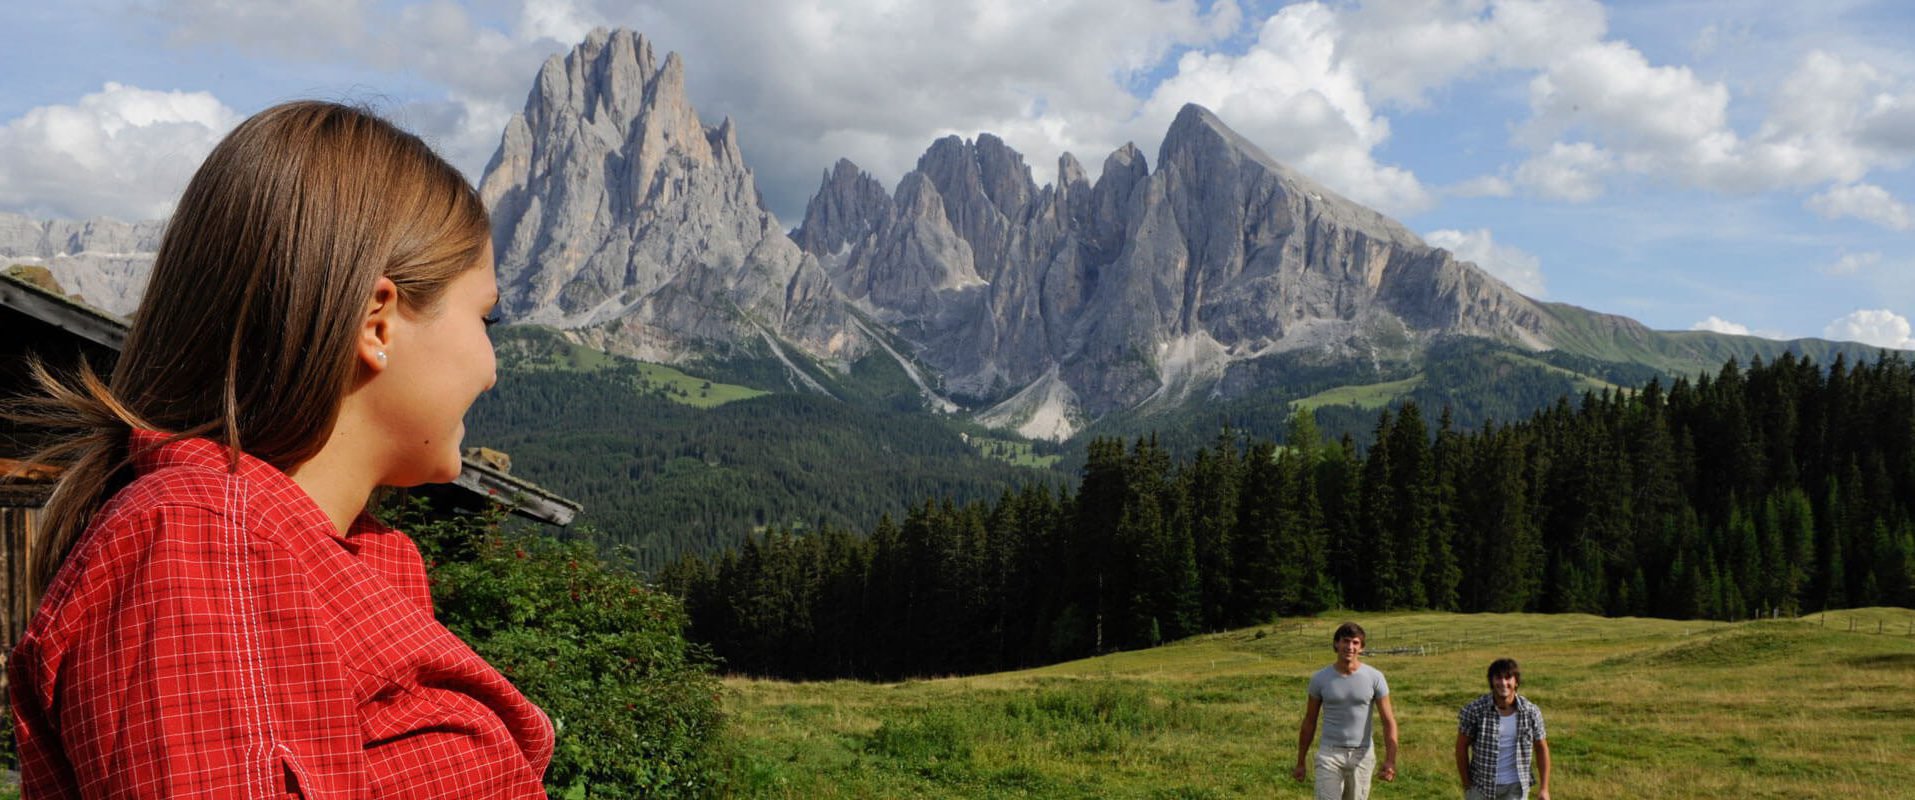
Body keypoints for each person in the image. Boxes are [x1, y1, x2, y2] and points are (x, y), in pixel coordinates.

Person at [7, 101, 553, 797]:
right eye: (487, 317)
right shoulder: (205, 539)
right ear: (377, 322)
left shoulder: (300, 550)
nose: (491, 366)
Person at [1294, 621, 1399, 800]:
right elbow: (1309, 721)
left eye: (1355, 642)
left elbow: (1388, 721)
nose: (1350, 647)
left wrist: (1390, 760)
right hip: (1329, 752)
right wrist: (1301, 761)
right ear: (1336, 644)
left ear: (1362, 647)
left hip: (1362, 753)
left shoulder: (1375, 677)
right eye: (1345, 641)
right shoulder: (1320, 679)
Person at [1455, 658, 1551, 800]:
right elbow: (1461, 747)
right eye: (1498, 678)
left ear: (1516, 682)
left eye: (1508, 678)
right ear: (1491, 682)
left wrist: (1544, 788)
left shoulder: (1531, 712)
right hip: (1481, 787)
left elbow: (1541, 748)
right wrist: (1467, 786)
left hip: (1515, 788)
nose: (1503, 683)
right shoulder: (1475, 710)